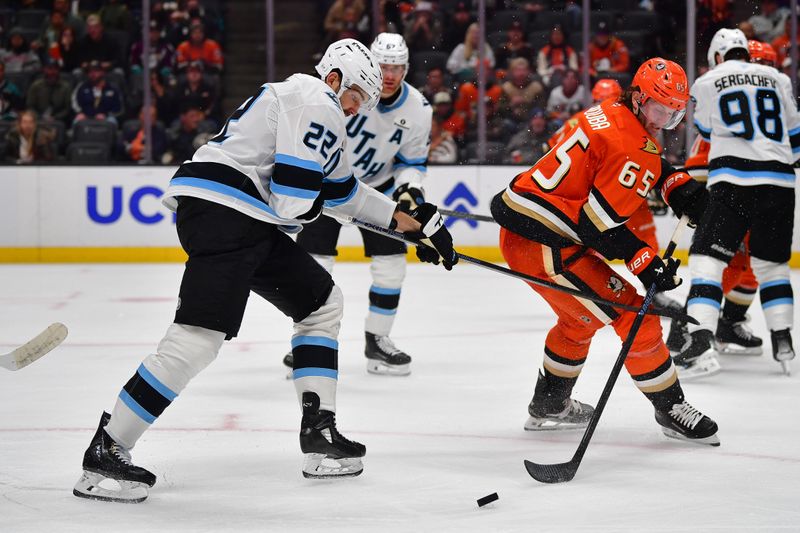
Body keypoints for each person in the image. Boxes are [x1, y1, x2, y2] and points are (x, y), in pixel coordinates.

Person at [72, 38, 457, 504]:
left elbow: (346, 195)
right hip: (226, 214)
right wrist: (351, 208)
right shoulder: (315, 98)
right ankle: (106, 450)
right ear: (335, 79)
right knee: (197, 338)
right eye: (355, 99)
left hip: (247, 221)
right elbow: (297, 199)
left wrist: (414, 225)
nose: (355, 112)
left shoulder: (310, 108)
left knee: (321, 304)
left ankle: (320, 433)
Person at [489, 58, 719, 445]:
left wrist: (677, 185)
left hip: (532, 229)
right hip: (546, 244)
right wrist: (645, 262)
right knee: (636, 317)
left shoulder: (612, 110)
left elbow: (644, 160)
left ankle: (549, 405)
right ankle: (670, 406)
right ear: (640, 98)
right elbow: (599, 227)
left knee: (579, 321)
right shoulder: (631, 145)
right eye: (660, 108)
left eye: (674, 112)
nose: (665, 119)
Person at [283, 33, 434, 376]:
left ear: (406, 68)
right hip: (326, 185)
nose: (390, 74)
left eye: (397, 67)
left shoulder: (419, 109)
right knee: (314, 265)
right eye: (383, 66)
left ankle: (378, 341)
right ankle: (308, 343)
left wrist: (410, 189)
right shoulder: (346, 95)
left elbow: (412, 161)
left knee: (391, 266)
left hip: (376, 191)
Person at [675, 28, 797, 376]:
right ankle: (782, 337)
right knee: (772, 267)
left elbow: (707, 132)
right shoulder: (778, 78)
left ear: (717, 56)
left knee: (707, 262)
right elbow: (796, 135)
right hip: (779, 182)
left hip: (733, 182)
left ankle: (699, 344)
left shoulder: (707, 80)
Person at [26, 57, 72, 124]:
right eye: (50, 69)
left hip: (59, 121)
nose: (52, 72)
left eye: (55, 69)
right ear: (44, 70)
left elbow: (67, 109)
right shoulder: (36, 86)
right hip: (38, 120)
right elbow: (30, 106)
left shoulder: (66, 87)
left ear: (59, 70)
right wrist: (39, 117)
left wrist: (55, 117)